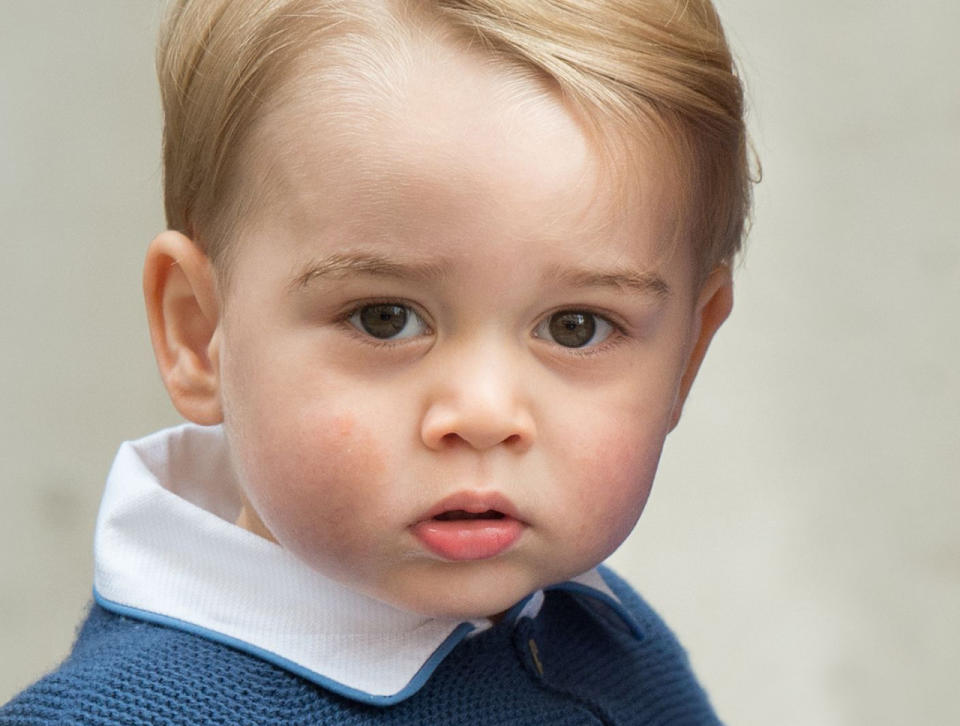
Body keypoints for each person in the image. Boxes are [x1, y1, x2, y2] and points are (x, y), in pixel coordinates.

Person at [1, 0, 753, 723]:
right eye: (385, 319)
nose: (484, 414)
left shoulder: (611, 646)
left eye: (577, 326)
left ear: (687, 355)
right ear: (202, 333)